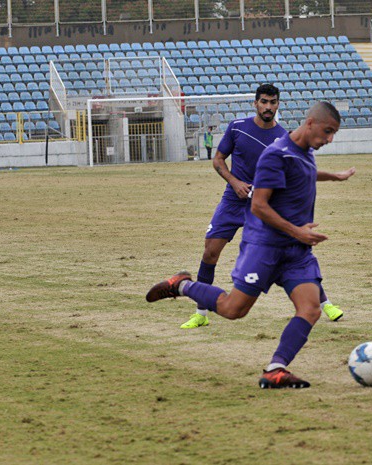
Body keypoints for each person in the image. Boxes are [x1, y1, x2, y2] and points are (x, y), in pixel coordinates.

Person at [146, 101, 355, 389]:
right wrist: (297, 231)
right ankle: (182, 285)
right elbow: (258, 206)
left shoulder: (304, 151)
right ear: (310, 123)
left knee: (310, 309)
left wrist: (334, 176)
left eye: (334, 133)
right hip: (264, 247)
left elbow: (303, 172)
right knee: (234, 310)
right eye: (328, 131)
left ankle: (276, 369)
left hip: (296, 252)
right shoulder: (275, 154)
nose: (329, 139)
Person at [181, 84, 344, 330]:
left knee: (293, 253)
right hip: (233, 201)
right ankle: (200, 313)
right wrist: (235, 182)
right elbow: (218, 159)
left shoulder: (284, 137)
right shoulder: (237, 127)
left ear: (278, 105)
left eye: (273, 102)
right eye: (264, 102)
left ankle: (325, 303)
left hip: (265, 205)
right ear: (256, 103)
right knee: (210, 253)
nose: (268, 107)